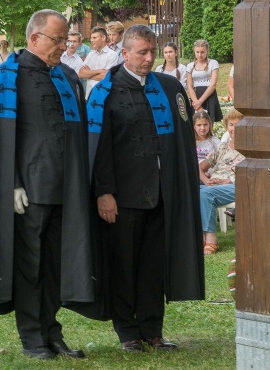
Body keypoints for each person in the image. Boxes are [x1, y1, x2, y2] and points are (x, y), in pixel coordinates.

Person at [0, 9, 98, 360]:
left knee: (55, 264)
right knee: (30, 265)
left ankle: (52, 333)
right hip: (29, 190)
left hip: (66, 188)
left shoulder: (66, 76)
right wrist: (11, 184)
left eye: (65, 39)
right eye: (57, 39)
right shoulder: (6, 78)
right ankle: (32, 337)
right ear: (34, 38)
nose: (63, 46)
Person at [88, 24, 204, 352]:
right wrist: (104, 192)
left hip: (162, 194)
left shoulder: (168, 87)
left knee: (154, 266)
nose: (149, 58)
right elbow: (98, 148)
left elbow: (182, 141)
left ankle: (153, 330)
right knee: (123, 265)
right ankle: (127, 332)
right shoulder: (105, 92)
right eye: (142, 52)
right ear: (124, 53)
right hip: (122, 197)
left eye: (152, 51)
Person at [199, 108, 244, 254]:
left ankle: (210, 238)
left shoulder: (251, 148)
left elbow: (253, 173)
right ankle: (198, 236)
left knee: (205, 194)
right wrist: (206, 181)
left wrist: (227, 181)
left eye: (238, 124)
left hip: (238, 186)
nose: (234, 128)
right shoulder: (222, 147)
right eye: (231, 124)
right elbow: (200, 167)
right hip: (214, 186)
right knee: (192, 191)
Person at [187, 39, 222, 122]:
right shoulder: (190, 66)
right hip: (195, 97)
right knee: (195, 123)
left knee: (209, 123)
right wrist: (196, 102)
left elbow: (213, 84)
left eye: (202, 52)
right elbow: (189, 86)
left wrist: (200, 101)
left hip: (209, 95)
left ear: (207, 51)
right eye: (197, 52)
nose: (199, 55)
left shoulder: (213, 63)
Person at [79, 26, 119, 97]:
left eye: (94, 38)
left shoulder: (112, 55)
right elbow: (81, 74)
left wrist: (89, 74)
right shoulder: (91, 54)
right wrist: (100, 71)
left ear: (103, 38)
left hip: (103, 96)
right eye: (91, 38)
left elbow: (107, 76)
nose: (91, 40)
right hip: (89, 95)